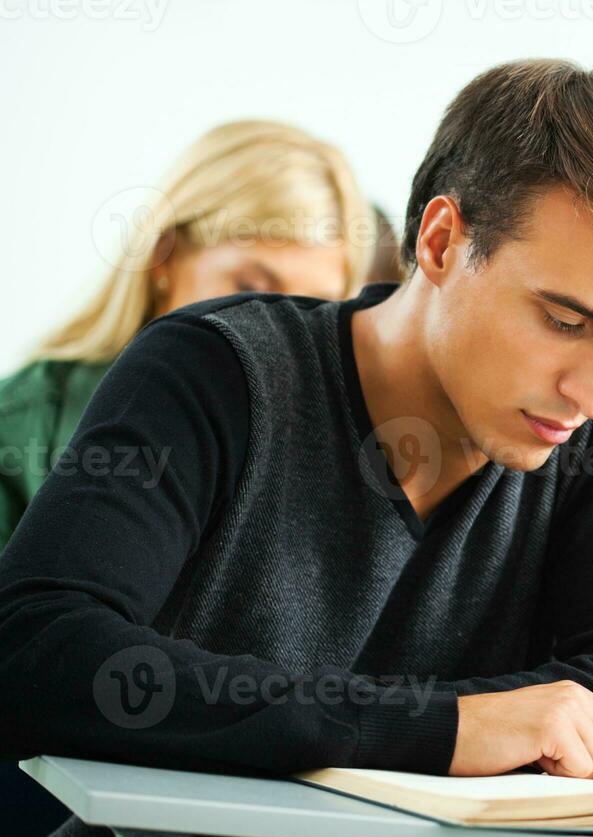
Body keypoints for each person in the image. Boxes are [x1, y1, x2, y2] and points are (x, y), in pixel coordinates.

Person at [0, 58, 593, 837]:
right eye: (564, 321)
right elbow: (36, 650)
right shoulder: (209, 371)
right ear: (443, 241)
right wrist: (450, 728)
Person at [0, 119, 375, 549]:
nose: (281, 333)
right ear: (164, 256)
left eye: (312, 309)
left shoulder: (348, 464)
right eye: (251, 291)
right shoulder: (16, 434)